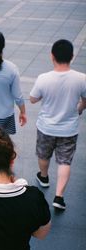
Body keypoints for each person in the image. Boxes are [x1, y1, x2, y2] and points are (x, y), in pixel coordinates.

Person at [30, 39, 86, 210]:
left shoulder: (44, 78)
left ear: (52, 56)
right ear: (72, 56)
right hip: (69, 129)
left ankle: (44, 177)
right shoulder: (81, 78)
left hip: (46, 127)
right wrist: (79, 108)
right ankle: (59, 197)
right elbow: (85, 100)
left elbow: (33, 99)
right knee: (64, 162)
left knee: (43, 154)